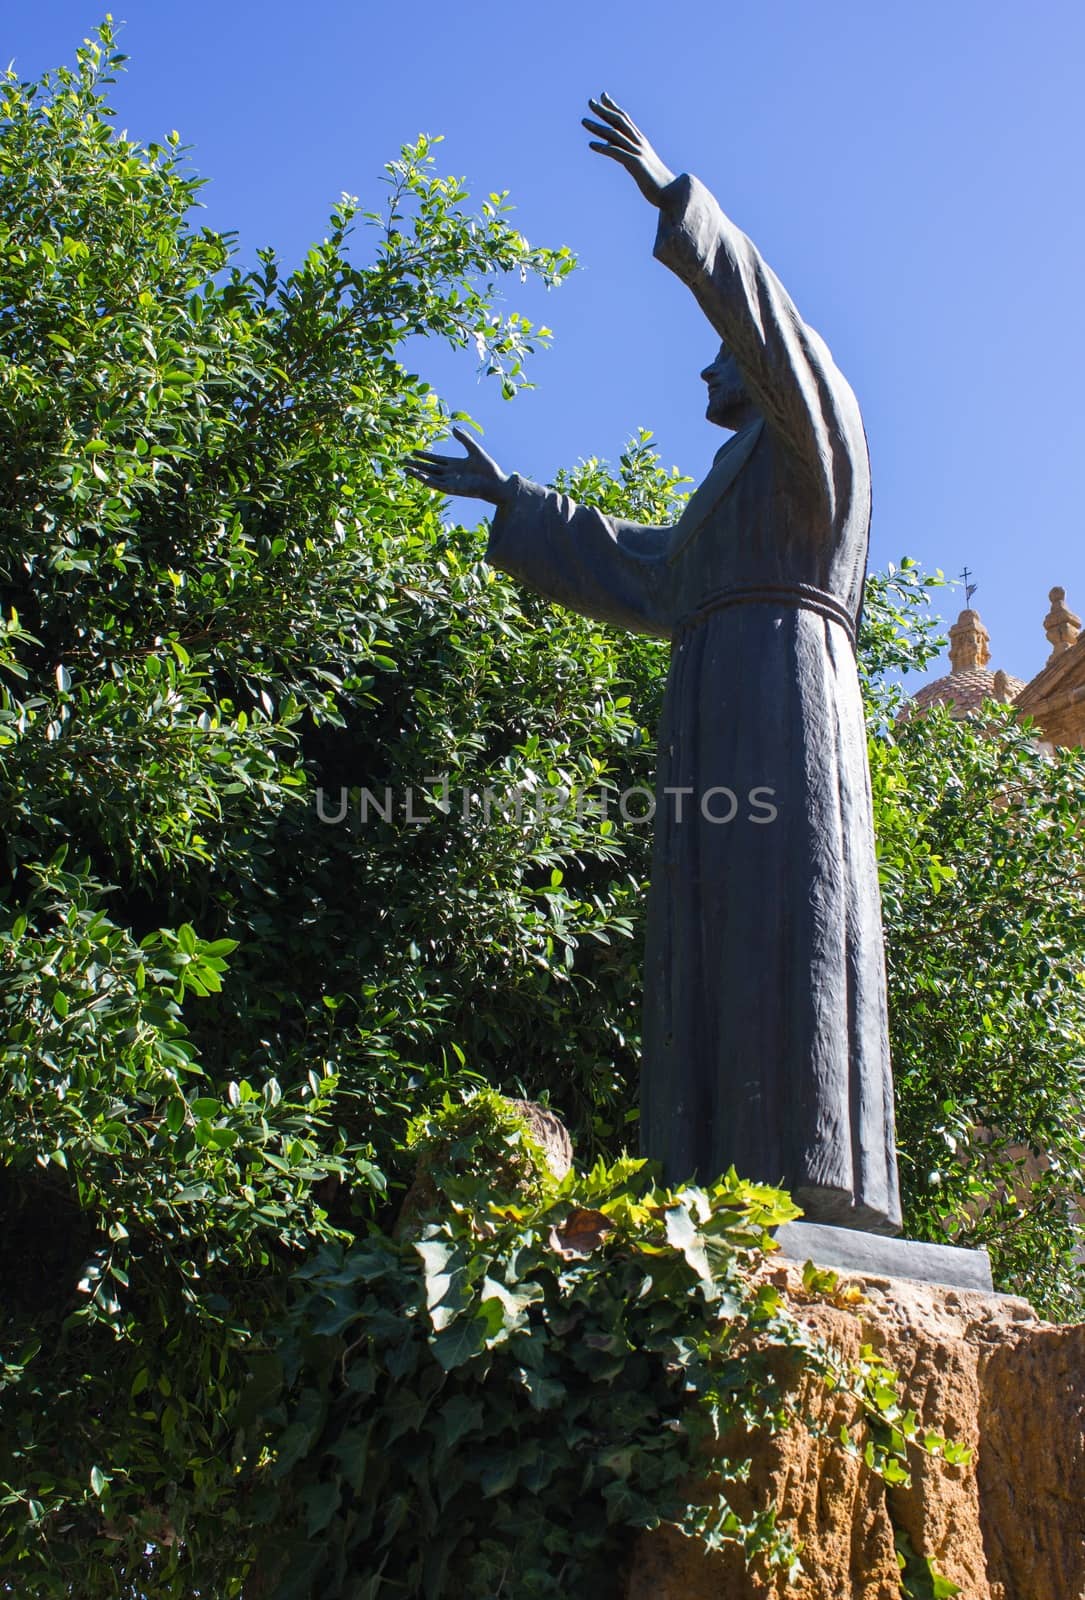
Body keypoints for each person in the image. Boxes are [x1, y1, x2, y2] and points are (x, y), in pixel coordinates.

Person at [406, 95, 901, 1234]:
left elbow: (763, 313)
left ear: (762, 359)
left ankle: (810, 1174)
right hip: (717, 688)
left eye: (717, 357)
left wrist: (676, 202)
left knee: (789, 918)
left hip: (783, 697)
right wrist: (514, 502)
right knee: (712, 937)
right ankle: (715, 1171)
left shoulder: (811, 432)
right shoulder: (736, 487)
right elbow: (650, 571)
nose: (700, 381)